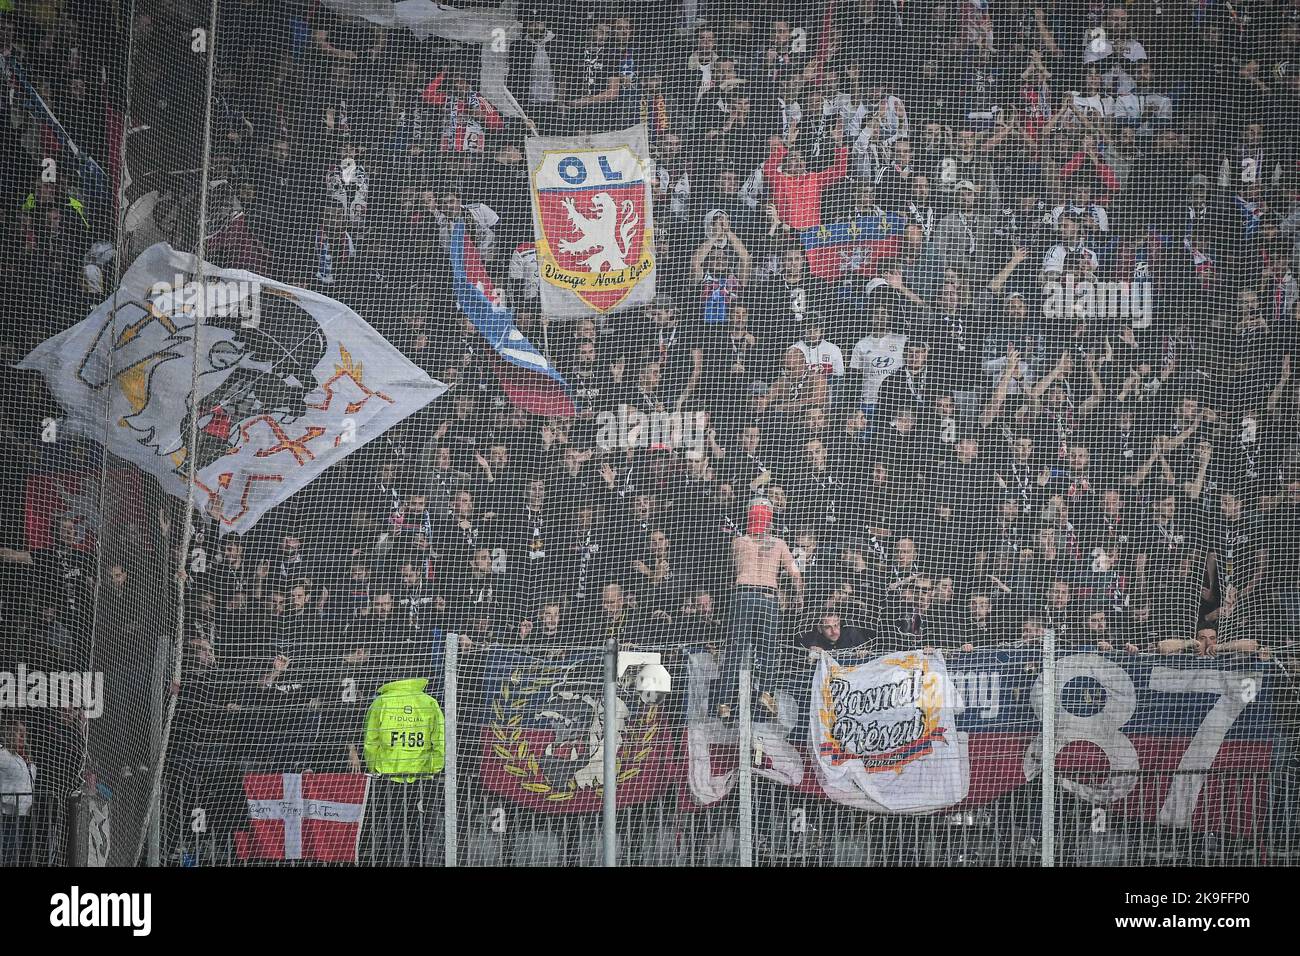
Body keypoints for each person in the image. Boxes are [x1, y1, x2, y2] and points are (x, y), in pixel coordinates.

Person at [714, 497, 803, 721]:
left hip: (743, 594)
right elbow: (795, 573)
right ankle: (766, 692)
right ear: (769, 519)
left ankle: (724, 702)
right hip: (768, 596)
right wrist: (799, 596)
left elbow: (730, 571)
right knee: (769, 650)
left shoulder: (739, 542)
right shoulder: (780, 544)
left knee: (735, 650)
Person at [0, 719, 35, 867]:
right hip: (8, 813)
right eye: (19, 733)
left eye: (24, 734)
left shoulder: (24, 757)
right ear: (10, 734)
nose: (22, 737)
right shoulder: (3, 755)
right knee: (8, 851)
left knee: (17, 852)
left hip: (24, 812)